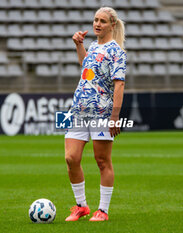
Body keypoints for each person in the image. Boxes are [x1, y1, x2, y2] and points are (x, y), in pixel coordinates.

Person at [64, 6, 126, 222]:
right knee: (71, 158)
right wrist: (79, 45)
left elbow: (119, 85)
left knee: (102, 161)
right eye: (95, 20)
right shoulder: (92, 46)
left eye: (102, 21)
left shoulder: (116, 51)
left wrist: (115, 116)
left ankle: (103, 210)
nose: (97, 24)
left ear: (112, 25)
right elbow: (85, 67)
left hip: (102, 112)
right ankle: (81, 206)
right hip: (79, 110)